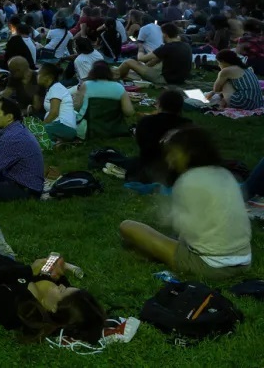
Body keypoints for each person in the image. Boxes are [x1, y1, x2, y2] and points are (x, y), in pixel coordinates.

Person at [0, 195, 105, 343]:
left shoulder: (17, 312)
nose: (62, 285)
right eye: (66, 287)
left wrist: (28, 270)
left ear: (53, 309)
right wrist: (55, 262)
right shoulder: (55, 296)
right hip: (1, 258)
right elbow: (51, 264)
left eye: (62, 291)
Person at [119, 127, 252, 282]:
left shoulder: (188, 181)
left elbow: (182, 227)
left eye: (173, 153)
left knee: (128, 226)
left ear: (190, 154)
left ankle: (150, 253)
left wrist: (165, 210)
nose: (169, 160)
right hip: (244, 260)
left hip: (211, 266)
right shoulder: (225, 174)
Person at [127, 87, 190, 184]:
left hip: (149, 169)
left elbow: (142, 145)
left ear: (159, 104)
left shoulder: (146, 122)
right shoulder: (187, 125)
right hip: (176, 171)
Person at [115, 23, 192, 86]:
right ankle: (119, 75)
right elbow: (154, 61)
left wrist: (140, 48)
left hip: (165, 80)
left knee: (129, 62)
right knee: (152, 64)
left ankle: (115, 77)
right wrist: (143, 67)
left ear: (165, 35)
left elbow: (141, 58)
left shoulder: (167, 47)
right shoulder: (186, 45)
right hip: (181, 79)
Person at [73, 61, 134, 139]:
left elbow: (76, 107)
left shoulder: (86, 85)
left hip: (87, 131)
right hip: (114, 131)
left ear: (92, 72)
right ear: (109, 72)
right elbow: (129, 112)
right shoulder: (119, 87)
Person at [38, 63, 78, 142]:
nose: (37, 76)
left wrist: (41, 127)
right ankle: (57, 143)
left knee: (35, 133)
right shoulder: (52, 89)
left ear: (48, 77)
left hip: (63, 126)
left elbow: (54, 113)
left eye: (38, 74)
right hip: (59, 126)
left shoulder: (56, 88)